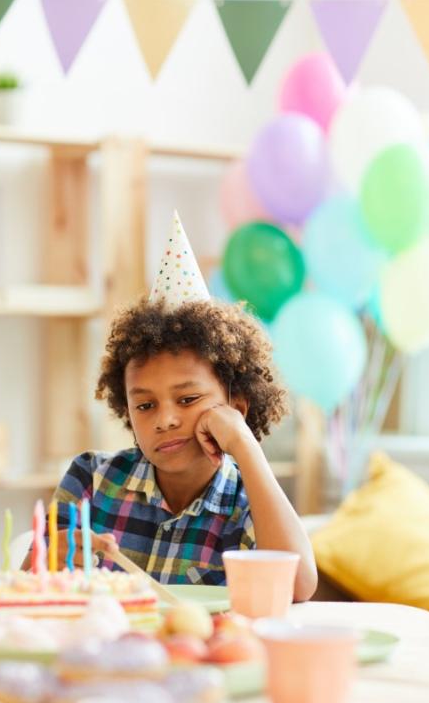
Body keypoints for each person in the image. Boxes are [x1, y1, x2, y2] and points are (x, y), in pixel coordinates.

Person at [23, 213, 317, 601]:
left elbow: (297, 588)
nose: (165, 419)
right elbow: (25, 590)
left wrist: (245, 445)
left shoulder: (250, 503)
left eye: (188, 399)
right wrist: (52, 557)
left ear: (237, 407)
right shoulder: (91, 479)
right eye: (144, 405)